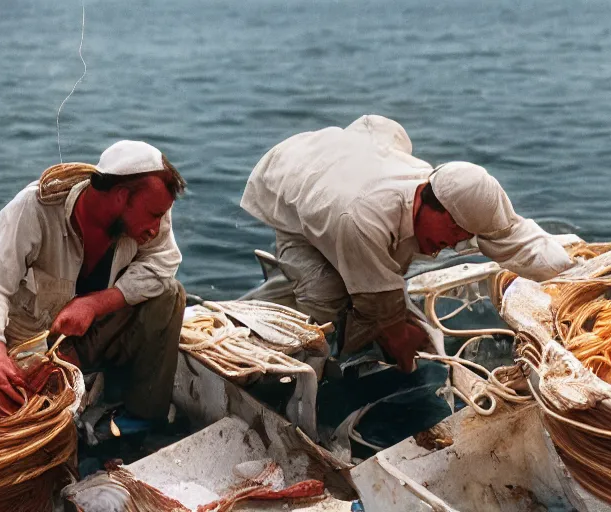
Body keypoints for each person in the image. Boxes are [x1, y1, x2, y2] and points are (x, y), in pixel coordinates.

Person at [241, 115, 574, 372]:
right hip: (294, 186)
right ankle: (252, 330)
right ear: (428, 202)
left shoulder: (448, 199)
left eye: (465, 235)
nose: (454, 243)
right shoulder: (360, 217)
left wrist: (575, 273)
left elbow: (513, 237)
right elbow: (380, 307)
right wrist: (403, 349)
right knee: (325, 297)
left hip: (354, 164)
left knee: (377, 284)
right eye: (455, 231)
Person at [0, 140, 187, 431]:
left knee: (170, 294)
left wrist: (94, 304)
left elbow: (164, 262)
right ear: (120, 197)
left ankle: (141, 421)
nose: (156, 228)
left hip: (92, 336)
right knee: (18, 417)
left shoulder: (150, 213)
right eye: (153, 215)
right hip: (31, 347)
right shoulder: (34, 209)